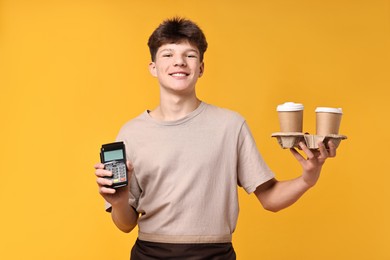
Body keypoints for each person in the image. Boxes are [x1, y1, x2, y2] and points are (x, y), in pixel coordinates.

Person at [94, 17, 337, 260]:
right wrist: (119, 202)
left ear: (200, 68)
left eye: (189, 55)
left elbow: (270, 198)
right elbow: (126, 224)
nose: (179, 61)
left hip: (215, 255)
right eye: (168, 54)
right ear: (153, 67)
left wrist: (308, 179)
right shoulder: (132, 132)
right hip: (149, 254)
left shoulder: (230, 125)